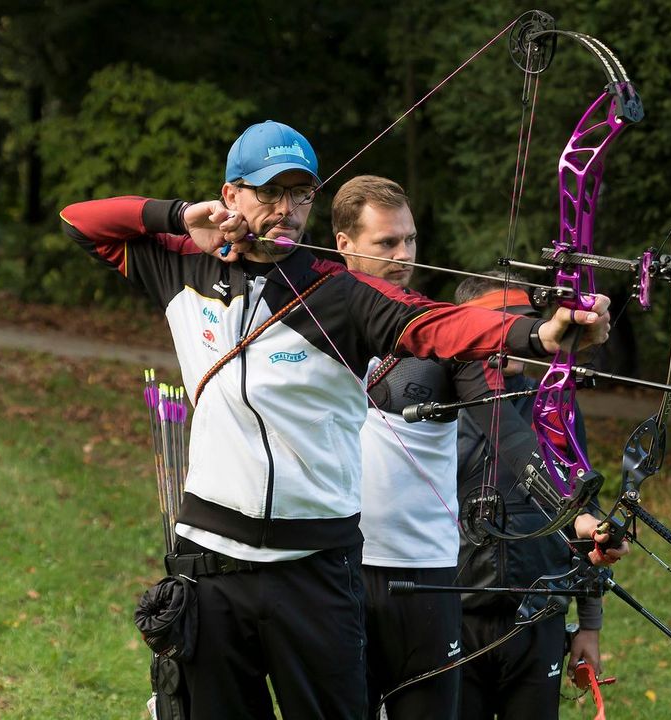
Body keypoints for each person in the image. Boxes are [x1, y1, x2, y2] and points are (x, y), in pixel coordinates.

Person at [60, 121, 612, 720]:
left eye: (301, 195)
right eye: (270, 193)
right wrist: (175, 216)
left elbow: (437, 325)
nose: (287, 209)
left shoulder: (340, 294)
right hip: (210, 566)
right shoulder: (180, 269)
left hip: (315, 571)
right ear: (231, 196)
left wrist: (541, 332)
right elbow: (81, 221)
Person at [331, 175, 625, 719]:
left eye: (410, 241)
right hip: (333, 564)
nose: (403, 255)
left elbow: (510, 435)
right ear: (344, 244)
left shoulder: (438, 335)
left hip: (431, 581)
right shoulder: (306, 316)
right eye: (387, 243)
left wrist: (578, 519)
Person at [454, 272, 608, 719]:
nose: (511, 340)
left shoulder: (553, 406)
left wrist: (590, 626)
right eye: (496, 328)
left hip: (538, 614)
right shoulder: (438, 411)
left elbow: (585, 514)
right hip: (454, 614)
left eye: (520, 327)